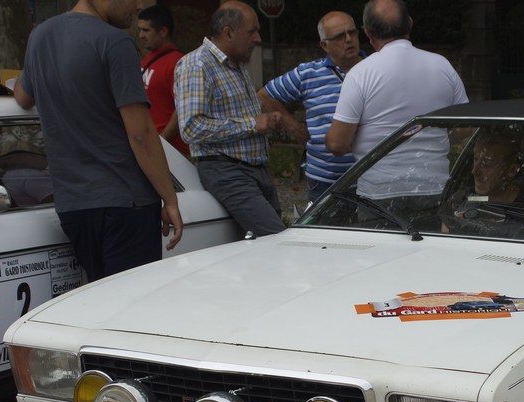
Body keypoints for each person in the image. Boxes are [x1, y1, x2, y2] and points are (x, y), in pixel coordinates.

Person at [13, 0, 183, 282]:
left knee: (101, 306)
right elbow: (141, 134)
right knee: (132, 307)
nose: (140, 6)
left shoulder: (40, 35)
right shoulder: (115, 42)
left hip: (72, 205)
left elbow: (22, 96)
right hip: (126, 201)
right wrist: (170, 198)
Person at [325, 0, 467, 201]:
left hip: (379, 195)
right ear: (409, 24)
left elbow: (337, 144)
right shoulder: (442, 66)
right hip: (435, 189)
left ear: (367, 33)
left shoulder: (360, 74)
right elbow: (465, 128)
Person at [175, 0, 285, 237]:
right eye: (252, 31)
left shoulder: (236, 64)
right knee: (277, 238)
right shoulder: (197, 64)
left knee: (270, 242)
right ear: (228, 32)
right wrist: (253, 124)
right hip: (226, 170)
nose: (258, 38)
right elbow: (191, 128)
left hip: (254, 169)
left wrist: (265, 120)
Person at [259, 11, 364, 204]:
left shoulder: (374, 68)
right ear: (324, 45)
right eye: (340, 36)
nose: (349, 40)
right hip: (325, 179)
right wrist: (292, 126)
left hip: (369, 177)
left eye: (352, 32)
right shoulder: (308, 73)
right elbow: (265, 95)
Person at [137, 4, 188, 155]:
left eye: (146, 30)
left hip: (171, 151)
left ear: (163, 31)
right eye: (140, 29)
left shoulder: (178, 62)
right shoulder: (147, 59)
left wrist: (162, 139)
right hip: (151, 146)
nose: (141, 35)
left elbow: (183, 108)